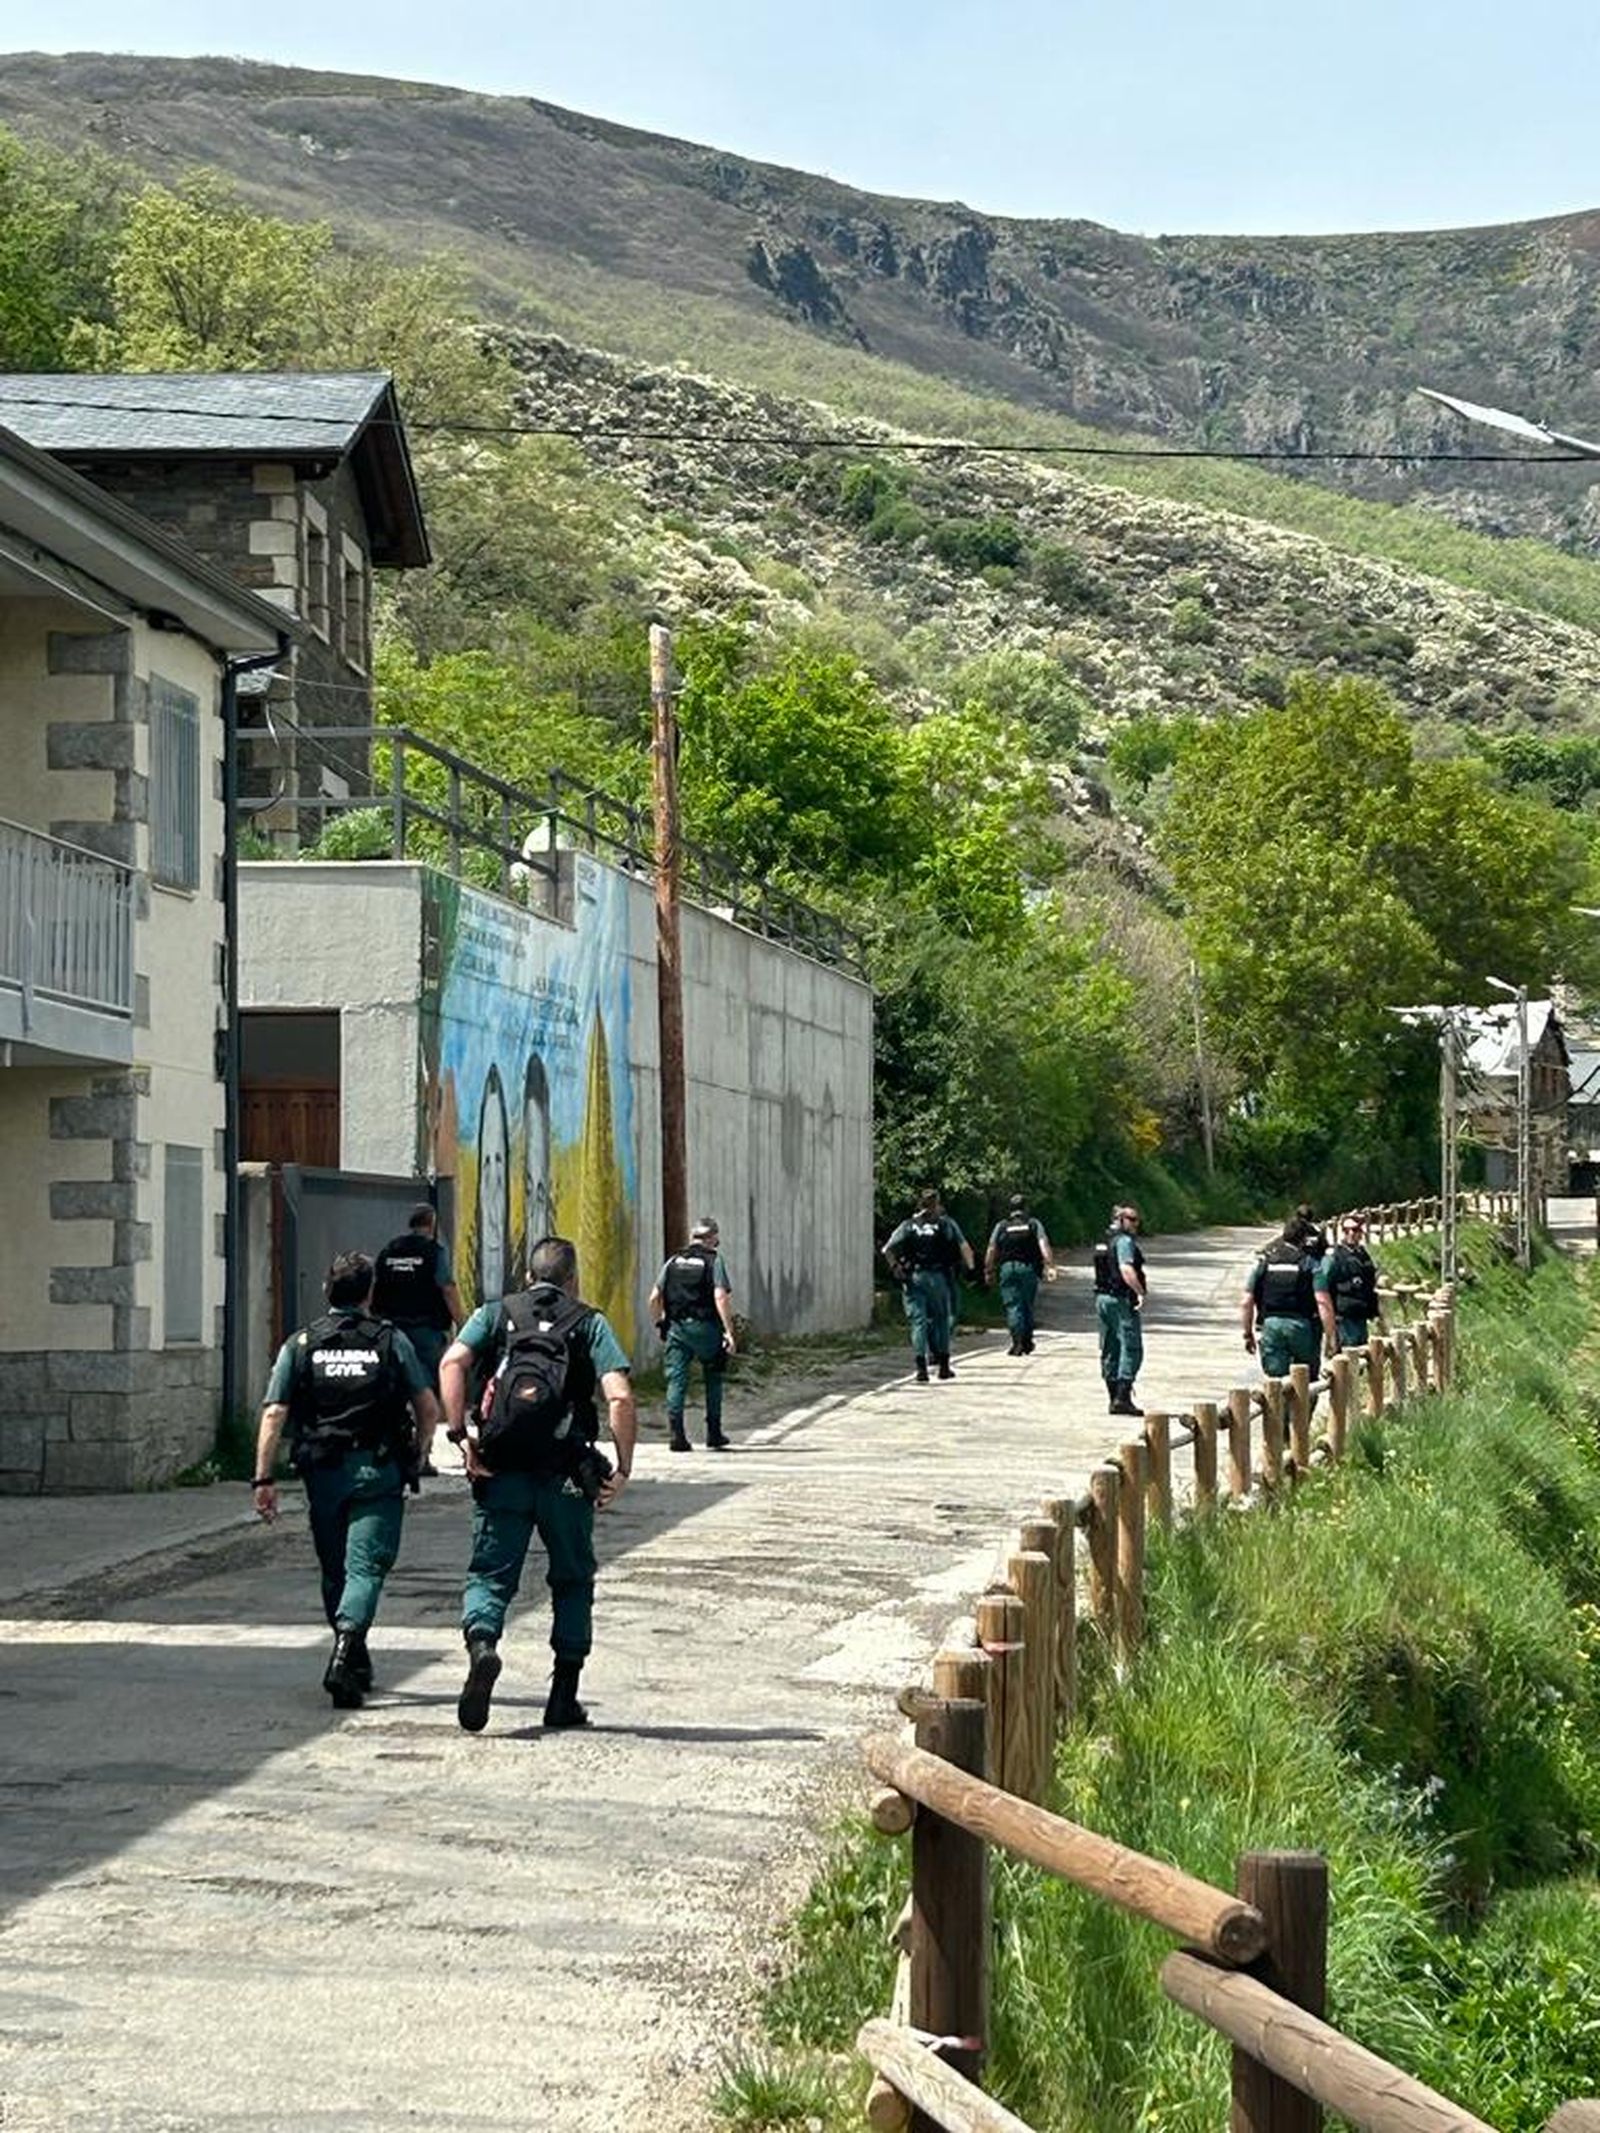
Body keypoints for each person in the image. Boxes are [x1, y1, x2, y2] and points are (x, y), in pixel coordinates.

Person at [439, 1234, 637, 1733]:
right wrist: (623, 1468)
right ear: (573, 1280)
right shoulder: (589, 1322)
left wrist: (461, 1437)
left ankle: (483, 1645)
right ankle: (562, 1697)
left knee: (490, 1574)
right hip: (565, 1475)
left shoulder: (496, 1314)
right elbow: (619, 1397)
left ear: (528, 1276)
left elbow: (452, 1362)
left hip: (501, 1468)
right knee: (572, 1579)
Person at [251, 1251, 439, 1709]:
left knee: (336, 1569)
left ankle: (353, 1654)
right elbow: (427, 1407)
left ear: (326, 1289)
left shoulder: (301, 1344)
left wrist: (263, 1478)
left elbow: (275, 1412)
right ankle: (345, 1653)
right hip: (377, 1470)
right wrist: (419, 1451)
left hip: (323, 1474)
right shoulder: (391, 1341)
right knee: (366, 1567)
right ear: (370, 1293)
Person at [370, 1203, 464, 1474]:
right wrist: (462, 1323)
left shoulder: (389, 1251)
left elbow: (374, 1288)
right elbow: (447, 1288)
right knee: (426, 1393)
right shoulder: (434, 1252)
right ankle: (422, 1456)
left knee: (393, 1390)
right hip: (426, 1333)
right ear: (431, 1224)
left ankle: (392, 1450)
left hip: (391, 1331)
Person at [648, 1216, 738, 1453]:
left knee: (676, 1379)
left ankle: (676, 1434)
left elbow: (654, 1297)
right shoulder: (714, 1260)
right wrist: (729, 1331)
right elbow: (720, 1296)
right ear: (713, 1238)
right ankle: (714, 1433)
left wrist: (660, 1323)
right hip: (707, 1328)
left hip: (678, 1328)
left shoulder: (673, 1261)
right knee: (714, 1375)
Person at [882, 1187, 974, 1383]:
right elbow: (961, 1246)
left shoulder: (908, 1225)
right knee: (941, 1320)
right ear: (936, 1203)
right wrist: (970, 1269)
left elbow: (887, 1249)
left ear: (919, 1203)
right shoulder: (945, 1224)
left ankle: (921, 1368)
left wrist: (895, 1267)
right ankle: (944, 1366)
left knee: (918, 1322)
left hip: (914, 1278)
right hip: (938, 1277)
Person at [1242, 1220, 1322, 1382]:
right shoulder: (1309, 1263)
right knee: (1305, 1378)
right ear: (1304, 1239)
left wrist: (1248, 1334)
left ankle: (1278, 1397)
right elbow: (1322, 1300)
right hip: (1302, 1325)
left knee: (1275, 1380)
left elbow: (1246, 1301)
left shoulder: (1265, 1262)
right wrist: (1331, 1336)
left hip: (1271, 1325)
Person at [984, 1195, 1055, 1356]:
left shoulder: (1002, 1226)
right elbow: (1043, 1244)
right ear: (1026, 1207)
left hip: (1007, 1269)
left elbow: (991, 1248)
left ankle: (1017, 1342)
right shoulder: (1033, 1224)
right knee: (1027, 1304)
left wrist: (988, 1270)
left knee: (1013, 1306)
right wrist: (1050, 1265)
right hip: (1028, 1268)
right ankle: (1027, 1340)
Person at [1094, 1203, 1147, 1415]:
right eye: (1132, 1219)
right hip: (1120, 1300)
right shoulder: (1124, 1241)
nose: (1136, 1224)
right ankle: (1122, 1397)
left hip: (1102, 1299)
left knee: (1110, 1346)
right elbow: (1126, 1269)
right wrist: (1140, 1292)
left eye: (1137, 1220)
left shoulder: (1104, 1240)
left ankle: (1113, 1397)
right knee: (1131, 1347)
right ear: (1120, 1220)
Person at [1316, 1212, 1383, 1356]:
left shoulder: (1363, 1255)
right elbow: (1322, 1288)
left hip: (1361, 1316)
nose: (1351, 1234)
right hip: (1343, 1318)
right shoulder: (1334, 1257)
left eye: (1355, 1230)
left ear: (1361, 1232)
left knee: (1363, 1358)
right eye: (1346, 1230)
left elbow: (1370, 1284)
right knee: (1347, 1358)